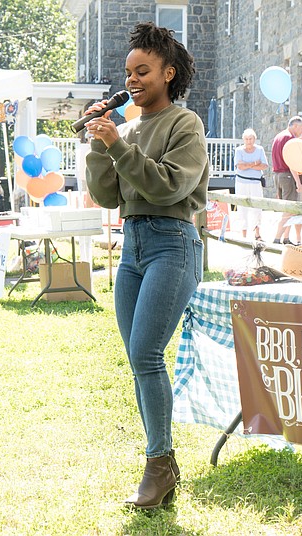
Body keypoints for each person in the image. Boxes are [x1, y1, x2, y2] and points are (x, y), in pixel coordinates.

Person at [85, 22, 208, 510]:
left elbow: (168, 187)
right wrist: (100, 143)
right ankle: (162, 464)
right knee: (140, 361)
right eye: (128, 73)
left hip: (172, 244)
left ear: (168, 73)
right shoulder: (128, 128)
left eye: (143, 71)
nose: (132, 80)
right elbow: (106, 194)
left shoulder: (185, 124)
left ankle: (158, 465)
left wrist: (116, 145)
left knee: (146, 354)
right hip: (132, 248)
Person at [271, 117, 302, 245]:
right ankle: (277, 238)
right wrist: (298, 182)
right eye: (301, 128)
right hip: (287, 175)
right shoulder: (290, 139)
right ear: (295, 126)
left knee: (288, 208)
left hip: (277, 175)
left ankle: (286, 238)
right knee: (289, 208)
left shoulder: (278, 136)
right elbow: (291, 163)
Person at [234, 128, 268, 240]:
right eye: (247, 139)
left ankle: (257, 233)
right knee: (242, 207)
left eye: (251, 138)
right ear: (244, 139)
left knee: (257, 207)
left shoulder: (259, 149)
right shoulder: (239, 150)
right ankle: (243, 234)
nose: (249, 141)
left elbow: (264, 165)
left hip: (255, 182)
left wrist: (247, 165)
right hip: (242, 182)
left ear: (254, 139)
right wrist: (254, 164)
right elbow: (240, 166)